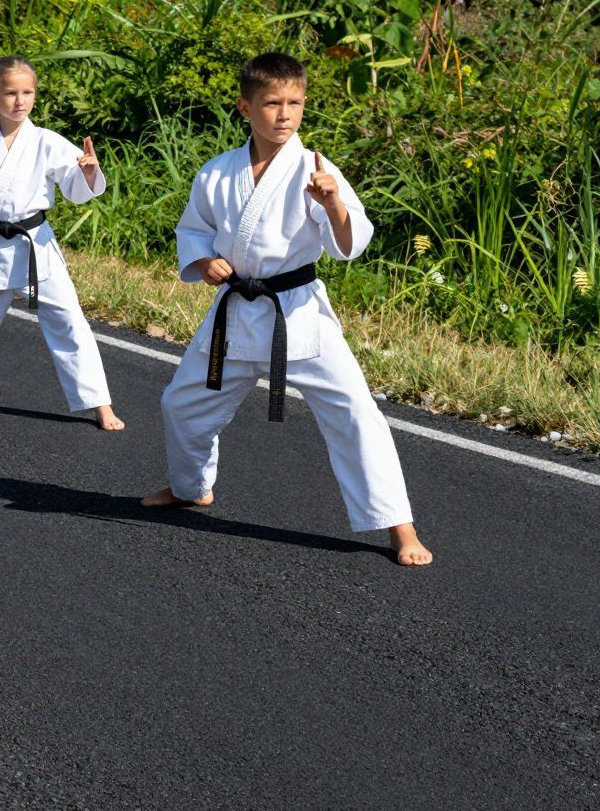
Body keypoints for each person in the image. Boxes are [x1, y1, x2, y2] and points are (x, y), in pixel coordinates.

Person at [143, 51, 433, 566]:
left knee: (355, 413)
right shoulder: (216, 173)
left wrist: (333, 204)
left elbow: (350, 242)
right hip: (234, 312)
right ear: (245, 108)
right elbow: (193, 230)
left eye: (294, 103)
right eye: (272, 103)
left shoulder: (315, 169)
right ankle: (190, 487)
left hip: (298, 314)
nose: (285, 114)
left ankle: (399, 526)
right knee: (180, 404)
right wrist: (205, 260)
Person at [0, 56, 123, 431]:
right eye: (11, 92)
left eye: (27, 92)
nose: (20, 100)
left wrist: (89, 173)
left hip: (36, 246)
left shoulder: (46, 141)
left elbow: (77, 189)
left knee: (69, 323)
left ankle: (99, 404)